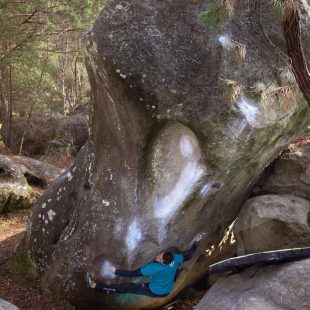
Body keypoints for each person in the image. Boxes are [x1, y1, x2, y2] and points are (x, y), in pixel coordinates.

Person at [87, 232, 206, 298]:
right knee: (172, 273)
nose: (157, 256)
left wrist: (116, 271)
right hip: (167, 289)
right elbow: (189, 256)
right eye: (160, 254)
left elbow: (133, 273)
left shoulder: (155, 267)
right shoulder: (175, 258)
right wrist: (196, 241)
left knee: (127, 287)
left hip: (155, 291)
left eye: (159, 258)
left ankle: (96, 286)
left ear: (163, 263)